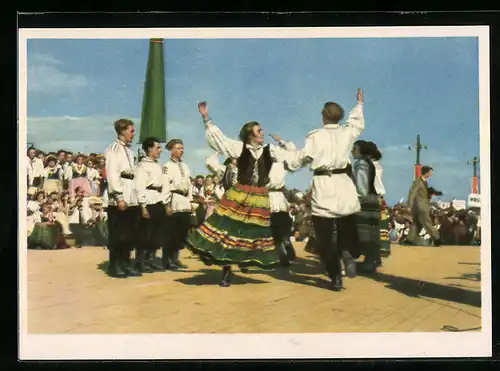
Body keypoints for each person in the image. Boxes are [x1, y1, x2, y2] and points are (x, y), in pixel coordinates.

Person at [187, 101, 296, 287]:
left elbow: (293, 157)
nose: (262, 133)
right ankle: (226, 270)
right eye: (258, 130)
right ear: (249, 134)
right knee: (229, 231)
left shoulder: (270, 151)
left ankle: (244, 263)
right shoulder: (239, 148)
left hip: (260, 197)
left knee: (251, 233)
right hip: (240, 194)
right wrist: (206, 118)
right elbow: (220, 140)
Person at [284, 88, 364, 291]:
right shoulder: (347, 132)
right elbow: (356, 123)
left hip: (324, 185)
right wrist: (359, 104)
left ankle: (336, 276)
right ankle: (348, 252)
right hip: (344, 184)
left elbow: (303, 158)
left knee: (325, 234)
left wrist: (289, 163)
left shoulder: (315, 136)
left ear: (323, 116)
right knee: (347, 224)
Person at [104, 118, 142, 278]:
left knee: (130, 233)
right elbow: (112, 174)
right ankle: (116, 265)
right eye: (131, 131)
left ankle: (126, 263)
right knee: (119, 233)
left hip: (131, 195)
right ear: (122, 131)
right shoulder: (114, 149)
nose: (133, 134)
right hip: (120, 197)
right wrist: (119, 197)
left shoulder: (130, 151)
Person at [134, 137, 171, 273]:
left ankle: (150, 260)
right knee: (145, 233)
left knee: (156, 234)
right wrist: (143, 206)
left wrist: (166, 203)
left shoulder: (158, 165)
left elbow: (165, 185)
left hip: (158, 201)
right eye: (158, 148)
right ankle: (140, 262)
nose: (160, 150)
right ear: (149, 149)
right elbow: (139, 186)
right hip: (148, 201)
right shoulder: (141, 166)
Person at [351, 140, 382, 273]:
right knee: (370, 233)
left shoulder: (361, 164)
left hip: (365, 201)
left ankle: (369, 262)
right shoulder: (369, 163)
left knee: (364, 233)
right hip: (372, 200)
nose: (352, 151)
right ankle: (373, 260)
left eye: (355, 149)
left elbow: (361, 188)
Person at [162, 138, 193, 270]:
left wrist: (190, 201)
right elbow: (165, 186)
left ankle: (176, 258)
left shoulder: (185, 166)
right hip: (174, 199)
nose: (181, 151)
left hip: (184, 200)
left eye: (182, 148)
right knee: (171, 233)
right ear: (171, 150)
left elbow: (189, 184)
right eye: (178, 148)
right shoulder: (166, 166)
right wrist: (167, 204)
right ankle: (167, 260)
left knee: (181, 232)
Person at [406, 165, 441, 246]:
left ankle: (410, 239)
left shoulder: (424, 182)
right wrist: (409, 206)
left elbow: (423, 194)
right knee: (427, 222)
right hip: (421, 207)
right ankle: (437, 238)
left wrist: (432, 192)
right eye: (430, 172)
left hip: (420, 206)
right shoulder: (418, 182)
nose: (431, 174)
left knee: (416, 223)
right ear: (426, 172)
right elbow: (412, 193)